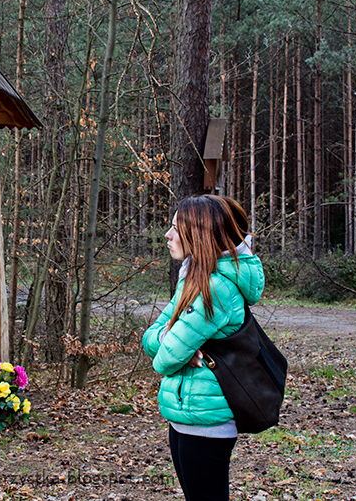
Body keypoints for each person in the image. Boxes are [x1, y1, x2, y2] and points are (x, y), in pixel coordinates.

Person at [142, 195, 265, 501]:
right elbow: (151, 337)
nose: (168, 235)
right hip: (187, 415)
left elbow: (165, 359)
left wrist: (172, 345)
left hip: (206, 421)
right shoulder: (195, 278)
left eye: (175, 228)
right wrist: (172, 341)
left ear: (198, 234)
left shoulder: (216, 288)